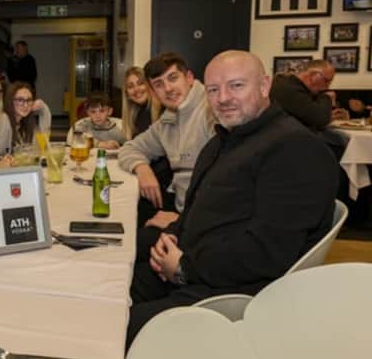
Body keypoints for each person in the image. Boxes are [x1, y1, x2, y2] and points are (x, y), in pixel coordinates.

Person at [126, 50, 338, 350]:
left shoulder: (295, 149)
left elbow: (268, 252)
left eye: (236, 85)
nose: (223, 98)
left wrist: (186, 266)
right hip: (196, 264)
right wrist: (171, 236)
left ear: (264, 86)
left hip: (231, 288)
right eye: (213, 89)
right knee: (108, 288)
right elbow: (194, 211)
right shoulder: (223, 141)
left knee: (115, 328)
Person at [119, 52, 216, 229]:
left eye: (173, 78)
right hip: (182, 209)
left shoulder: (211, 111)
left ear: (189, 77)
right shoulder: (168, 120)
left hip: (203, 221)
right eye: (159, 84)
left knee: (131, 244)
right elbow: (130, 148)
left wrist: (182, 222)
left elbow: (226, 185)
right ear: (154, 91)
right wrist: (142, 168)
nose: (168, 88)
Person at [269, 60, 336, 131]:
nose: (328, 86)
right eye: (326, 81)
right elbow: (321, 119)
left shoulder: (295, 85)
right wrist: (327, 97)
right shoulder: (287, 88)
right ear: (314, 76)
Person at [4, 81, 51, 148]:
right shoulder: (4, 122)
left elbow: (43, 141)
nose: (25, 105)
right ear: (10, 101)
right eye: (20, 100)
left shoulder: (24, 124)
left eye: (29, 100)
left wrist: (43, 108)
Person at [121, 66, 161, 140]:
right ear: (127, 94)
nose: (136, 89)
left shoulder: (162, 110)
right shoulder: (135, 114)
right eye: (131, 86)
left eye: (140, 83)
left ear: (149, 85)